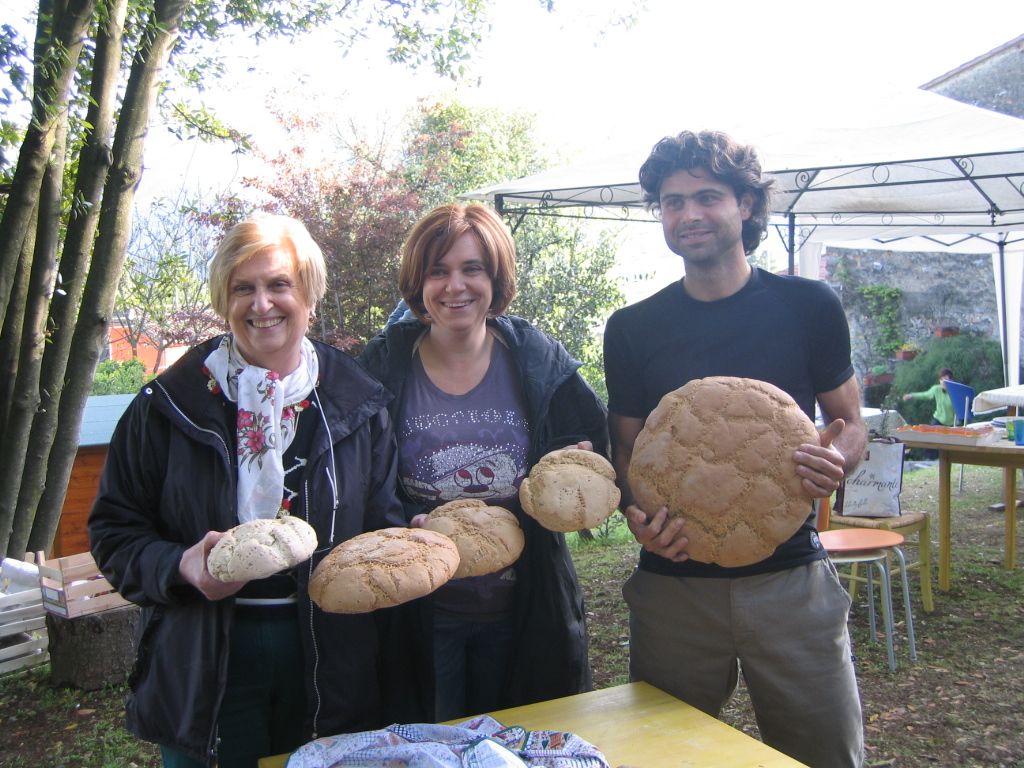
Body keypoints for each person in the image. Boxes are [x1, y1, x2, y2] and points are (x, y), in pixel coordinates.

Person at [88, 215, 405, 768]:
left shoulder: (359, 404)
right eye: (243, 288)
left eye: (279, 284)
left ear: (308, 292)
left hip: (331, 662)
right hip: (207, 659)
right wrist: (181, 566)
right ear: (223, 299)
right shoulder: (166, 406)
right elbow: (114, 533)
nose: (262, 304)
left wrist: (408, 541)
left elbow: (382, 519)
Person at [602, 131, 868, 768]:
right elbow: (627, 452)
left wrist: (839, 459)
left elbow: (849, 422)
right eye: (671, 202)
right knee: (662, 758)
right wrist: (636, 517)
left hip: (790, 581)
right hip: (673, 591)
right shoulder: (633, 328)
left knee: (824, 753)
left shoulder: (807, 306)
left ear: (746, 205)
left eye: (706, 197)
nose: (688, 214)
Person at [359, 202, 608, 722]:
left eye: (472, 268)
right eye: (438, 271)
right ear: (418, 282)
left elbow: (591, 446)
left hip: (524, 607)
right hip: (423, 616)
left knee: (517, 741)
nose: (456, 286)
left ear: (495, 278)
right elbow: (360, 480)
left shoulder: (536, 360)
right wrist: (401, 522)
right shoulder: (382, 368)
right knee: (430, 745)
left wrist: (576, 469)